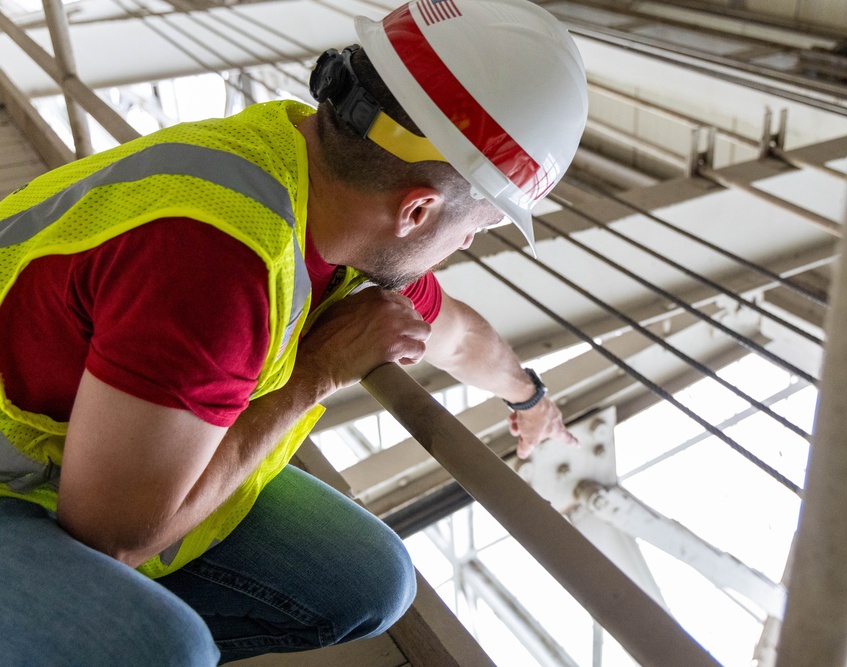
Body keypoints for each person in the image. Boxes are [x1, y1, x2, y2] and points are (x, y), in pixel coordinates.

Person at [0, 0, 588, 664]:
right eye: (473, 230)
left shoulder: (311, 183)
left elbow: (455, 336)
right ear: (418, 210)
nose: (461, 247)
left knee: (371, 579)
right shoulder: (220, 268)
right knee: (162, 649)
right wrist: (317, 372)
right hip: (22, 485)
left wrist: (529, 400)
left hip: (72, 449)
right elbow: (111, 534)